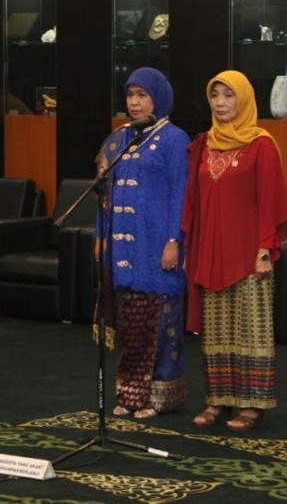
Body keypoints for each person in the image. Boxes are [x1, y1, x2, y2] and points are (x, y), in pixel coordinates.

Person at [182, 70, 287, 432]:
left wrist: (264, 249)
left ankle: (252, 404)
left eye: (229, 96)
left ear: (243, 99)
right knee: (216, 331)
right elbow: (193, 202)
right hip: (211, 251)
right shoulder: (205, 144)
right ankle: (218, 400)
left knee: (251, 330)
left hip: (248, 254)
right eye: (215, 96)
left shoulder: (261, 144)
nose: (221, 103)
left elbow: (272, 200)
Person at [94, 67, 190, 419]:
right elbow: (103, 193)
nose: (134, 103)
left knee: (160, 321)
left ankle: (161, 396)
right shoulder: (118, 139)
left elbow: (181, 195)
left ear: (158, 98)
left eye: (142, 96)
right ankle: (130, 393)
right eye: (130, 96)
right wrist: (102, 235)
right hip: (124, 249)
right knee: (131, 322)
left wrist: (173, 241)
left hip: (157, 245)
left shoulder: (175, 139)